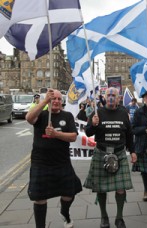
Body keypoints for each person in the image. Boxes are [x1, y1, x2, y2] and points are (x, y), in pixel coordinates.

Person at [25, 89, 82, 228]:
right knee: (39, 198)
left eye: (58, 99)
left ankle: (64, 211)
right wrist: (44, 101)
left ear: (61, 102)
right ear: (49, 101)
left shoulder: (67, 116)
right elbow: (29, 118)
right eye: (52, 99)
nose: (55, 101)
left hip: (61, 162)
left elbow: (73, 136)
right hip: (41, 163)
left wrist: (56, 134)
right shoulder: (41, 114)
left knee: (69, 193)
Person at [83, 87, 137, 228]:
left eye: (114, 95)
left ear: (118, 98)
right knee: (101, 188)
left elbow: (130, 134)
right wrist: (93, 124)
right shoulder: (97, 113)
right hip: (102, 152)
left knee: (121, 188)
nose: (112, 97)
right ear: (105, 97)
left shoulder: (124, 113)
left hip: (119, 153)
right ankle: (104, 217)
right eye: (109, 95)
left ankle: (119, 218)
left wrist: (133, 151)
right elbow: (88, 133)